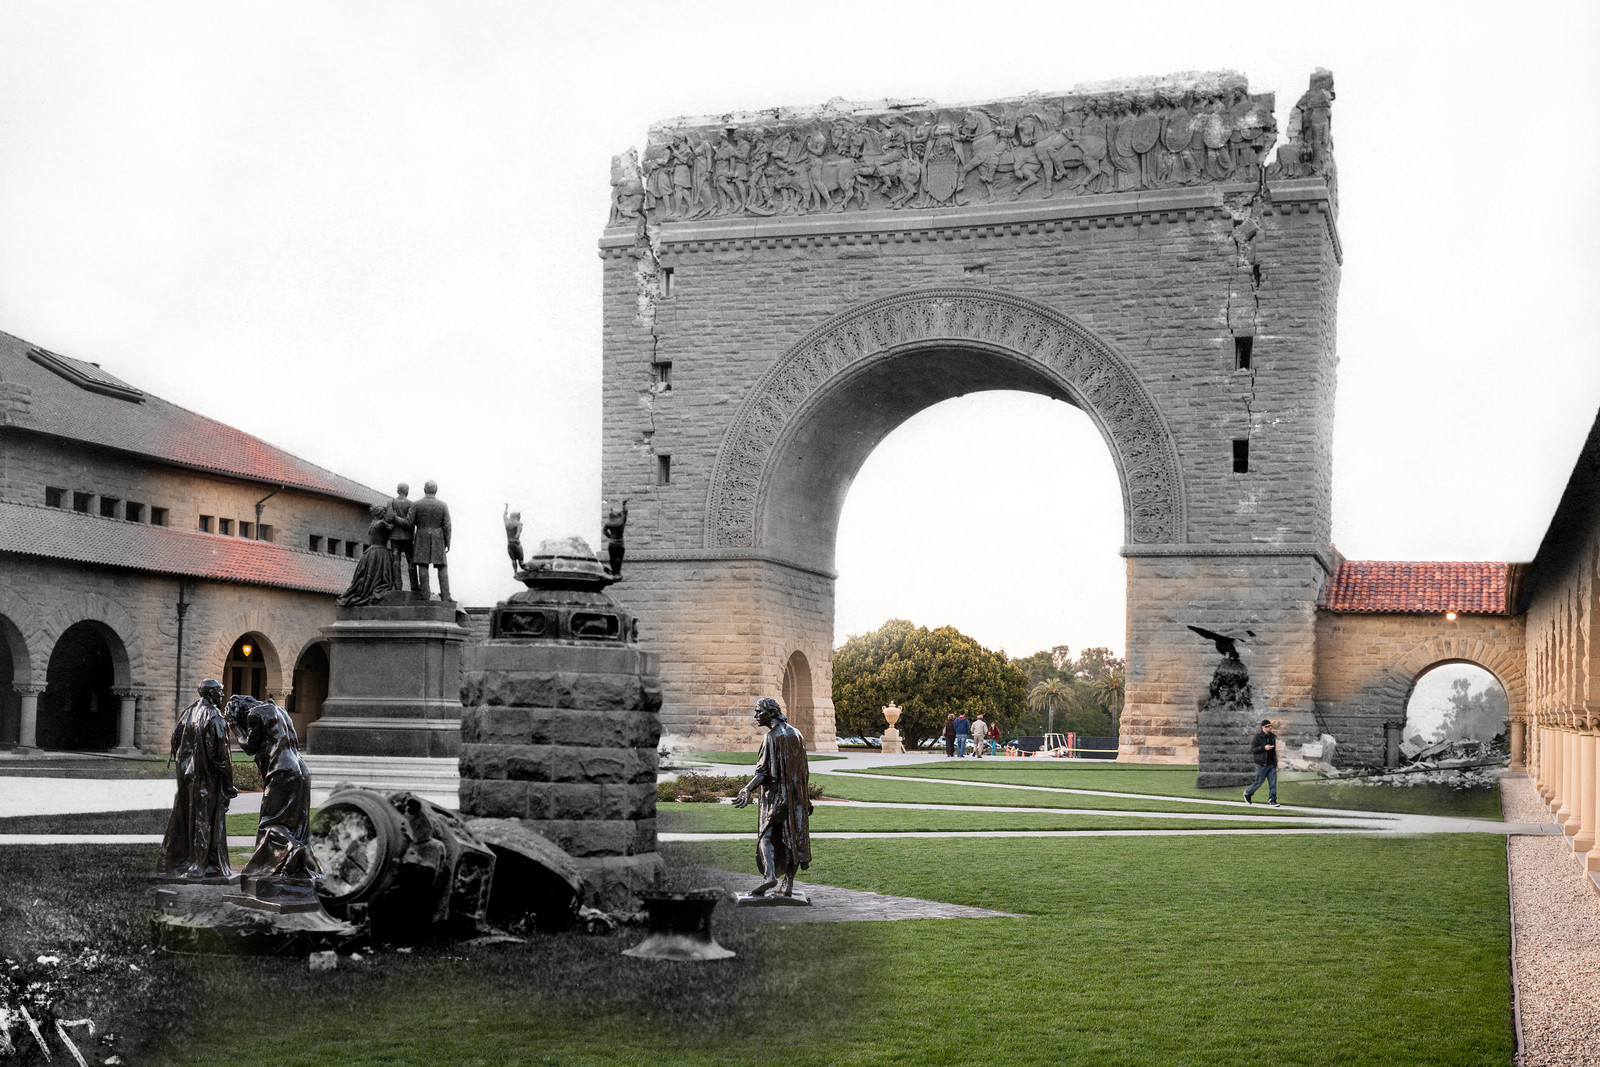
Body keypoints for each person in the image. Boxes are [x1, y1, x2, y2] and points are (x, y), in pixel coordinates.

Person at [226, 695, 320, 891]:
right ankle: (302, 863)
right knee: (297, 823)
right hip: (301, 770)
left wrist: (234, 725)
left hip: (281, 771)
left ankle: (294, 849)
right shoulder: (280, 711)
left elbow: (249, 747)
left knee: (271, 822)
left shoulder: (254, 715)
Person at [731, 697, 812, 897]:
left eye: (759, 711)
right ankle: (788, 884)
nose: (756, 715)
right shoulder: (797, 734)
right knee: (791, 838)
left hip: (775, 797)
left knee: (765, 837)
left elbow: (763, 772)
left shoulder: (771, 737)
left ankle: (769, 877)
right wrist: (806, 797)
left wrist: (746, 789)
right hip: (796, 797)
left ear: (771, 712)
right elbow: (804, 771)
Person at [156, 679, 236, 881]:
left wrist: (181, 766)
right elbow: (222, 756)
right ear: (211, 693)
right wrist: (229, 785)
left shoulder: (189, 712)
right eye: (219, 691)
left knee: (182, 817)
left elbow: (175, 739)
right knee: (203, 820)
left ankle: (170, 861)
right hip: (205, 777)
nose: (221, 695)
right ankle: (198, 866)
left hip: (186, 776)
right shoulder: (215, 717)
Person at [336, 505, 396, 606]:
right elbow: (391, 526)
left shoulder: (373, 523)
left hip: (370, 552)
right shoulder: (381, 523)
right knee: (379, 577)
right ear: (381, 514)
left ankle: (365, 591)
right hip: (380, 552)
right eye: (384, 513)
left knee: (369, 577)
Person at [411, 480, 452, 601]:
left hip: (422, 537)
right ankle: (446, 596)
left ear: (424, 489)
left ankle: (425, 596)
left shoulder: (416, 504)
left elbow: (409, 522)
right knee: (442, 566)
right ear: (436, 490)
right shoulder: (443, 505)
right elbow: (447, 525)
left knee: (422, 565)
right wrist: (447, 542)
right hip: (438, 538)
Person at [386, 483, 417, 593]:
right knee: (411, 561)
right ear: (407, 491)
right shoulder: (411, 504)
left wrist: (394, 517)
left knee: (396, 561)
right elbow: (410, 522)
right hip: (408, 537)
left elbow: (388, 519)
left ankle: (398, 587)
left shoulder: (391, 503)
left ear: (397, 490)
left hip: (394, 537)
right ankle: (414, 587)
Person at [1244, 717, 1281, 807]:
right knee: (1259, 781)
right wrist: (1264, 748)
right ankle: (1248, 793)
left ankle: (1272, 799)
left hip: (1271, 764)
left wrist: (1276, 763)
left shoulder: (1272, 737)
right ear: (1263, 727)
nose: (1270, 728)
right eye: (1267, 726)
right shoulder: (1257, 737)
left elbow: (1273, 751)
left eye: (1270, 726)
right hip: (1261, 764)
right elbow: (1253, 749)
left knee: (1273, 783)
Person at [504, 504, 524, 576]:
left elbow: (504, 515)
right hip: (516, 543)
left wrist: (506, 508)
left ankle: (515, 572)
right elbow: (518, 534)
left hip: (509, 543)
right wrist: (516, 538)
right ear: (517, 516)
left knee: (513, 559)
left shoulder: (507, 523)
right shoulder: (519, 523)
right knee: (521, 562)